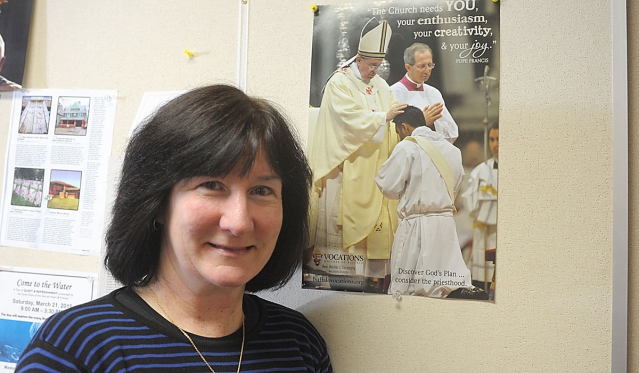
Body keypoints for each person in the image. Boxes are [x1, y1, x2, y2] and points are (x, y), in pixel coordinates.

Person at [15, 85, 334, 372]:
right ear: (157, 205)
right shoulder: (77, 347)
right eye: (212, 185)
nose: (238, 221)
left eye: (262, 191)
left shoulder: (299, 343)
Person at [307, 18, 407, 291]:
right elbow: (345, 120)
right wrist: (381, 118)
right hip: (344, 166)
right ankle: (337, 280)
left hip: (372, 169)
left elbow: (393, 116)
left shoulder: (381, 86)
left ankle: (369, 281)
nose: (376, 70)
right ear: (359, 59)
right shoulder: (340, 82)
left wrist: (403, 120)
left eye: (379, 65)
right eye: (372, 65)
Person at [375, 106, 485, 299]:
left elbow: (388, 185)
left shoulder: (407, 146)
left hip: (417, 226)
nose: (400, 136)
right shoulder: (452, 151)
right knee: (446, 284)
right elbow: (456, 184)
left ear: (405, 127)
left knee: (410, 291)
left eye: (398, 131)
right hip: (445, 227)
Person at [390, 43, 457, 142]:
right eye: (421, 66)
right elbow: (392, 133)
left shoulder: (434, 93)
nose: (427, 71)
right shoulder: (393, 92)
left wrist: (434, 124)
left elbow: (452, 131)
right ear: (408, 67)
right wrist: (422, 122)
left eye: (430, 65)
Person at [463, 122, 499, 290]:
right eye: (492, 139)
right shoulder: (481, 170)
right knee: (481, 277)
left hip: (502, 230)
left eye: (499, 139)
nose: (495, 144)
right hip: (483, 228)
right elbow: (469, 198)